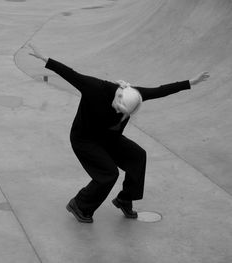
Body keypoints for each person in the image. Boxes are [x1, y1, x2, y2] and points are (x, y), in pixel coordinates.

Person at [28, 44, 209, 223]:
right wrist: (44, 58)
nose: (121, 116)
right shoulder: (94, 87)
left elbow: (160, 90)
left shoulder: (135, 94)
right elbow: (70, 73)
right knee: (108, 174)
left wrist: (190, 82)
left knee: (138, 156)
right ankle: (80, 204)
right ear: (117, 99)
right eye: (119, 111)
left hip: (109, 139)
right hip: (85, 140)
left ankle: (124, 199)